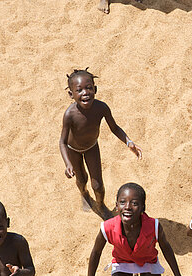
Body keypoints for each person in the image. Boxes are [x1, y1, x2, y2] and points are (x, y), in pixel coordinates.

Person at [59, 68, 143, 220]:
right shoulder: (69, 114)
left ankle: (100, 204)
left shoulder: (101, 108)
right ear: (71, 95)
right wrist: (67, 164)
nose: (85, 92)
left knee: (97, 184)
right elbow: (63, 142)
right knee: (82, 179)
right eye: (79, 90)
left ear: (95, 89)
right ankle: (84, 194)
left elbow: (115, 128)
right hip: (73, 150)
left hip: (92, 147)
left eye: (89, 88)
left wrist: (128, 142)